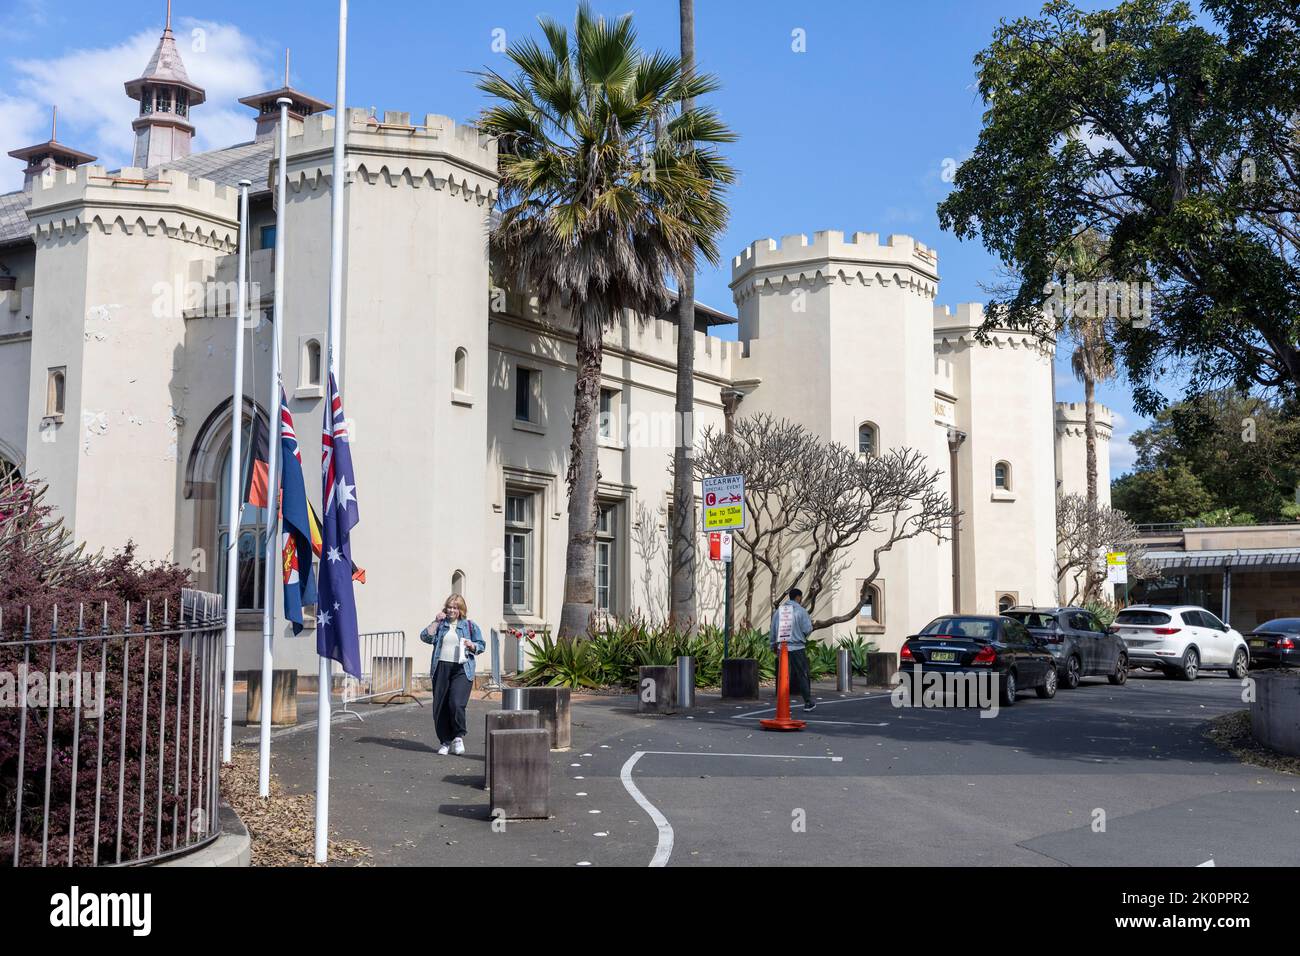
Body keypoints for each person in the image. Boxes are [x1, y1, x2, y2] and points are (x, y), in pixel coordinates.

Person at [419, 594, 485, 755]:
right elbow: (425, 637)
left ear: (461, 609)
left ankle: (458, 736)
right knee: (440, 707)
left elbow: (481, 645)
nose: (451, 610)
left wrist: (472, 645)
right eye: (449, 607)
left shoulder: (470, 625)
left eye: (455, 607)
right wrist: (435, 621)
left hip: (462, 669)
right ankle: (445, 742)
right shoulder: (441, 625)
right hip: (441, 668)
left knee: (456, 703)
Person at [770, 587, 815, 711]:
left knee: (783, 675)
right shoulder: (801, 611)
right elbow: (807, 629)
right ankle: (807, 702)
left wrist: (773, 644)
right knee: (802, 674)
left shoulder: (779, 611)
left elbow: (773, 630)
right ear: (798, 597)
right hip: (797, 647)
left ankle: (782, 702)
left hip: (782, 647)